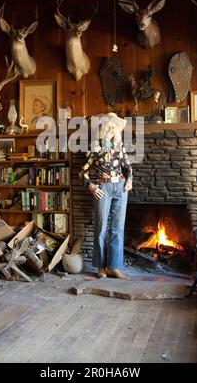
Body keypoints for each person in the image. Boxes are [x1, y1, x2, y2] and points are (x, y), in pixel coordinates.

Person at [79, 113, 133, 279]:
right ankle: (101, 267)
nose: (111, 128)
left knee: (118, 229)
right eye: (108, 125)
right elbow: (82, 172)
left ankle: (114, 267)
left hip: (121, 188)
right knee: (101, 228)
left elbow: (128, 168)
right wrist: (92, 187)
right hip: (103, 187)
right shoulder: (95, 147)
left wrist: (130, 181)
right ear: (102, 129)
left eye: (114, 126)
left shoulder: (120, 147)